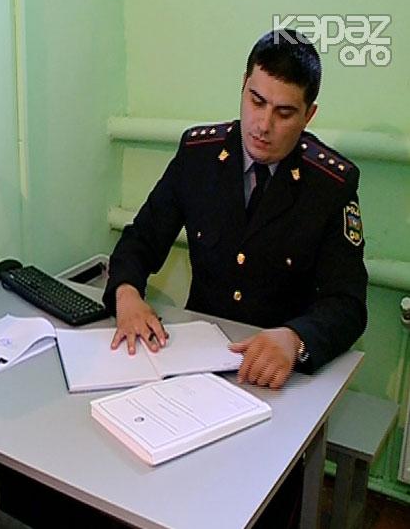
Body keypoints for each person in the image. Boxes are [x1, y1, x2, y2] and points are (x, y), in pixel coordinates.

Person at [104, 29, 368, 390]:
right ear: (243, 86)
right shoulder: (199, 156)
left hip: (279, 375)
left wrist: (296, 339)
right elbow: (142, 240)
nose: (263, 125)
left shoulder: (329, 185)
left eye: (284, 113)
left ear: (309, 115)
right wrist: (127, 294)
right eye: (256, 101)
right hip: (196, 362)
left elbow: (347, 304)